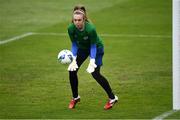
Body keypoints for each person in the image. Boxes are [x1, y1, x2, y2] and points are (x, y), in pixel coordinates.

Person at [67, 5, 118, 110]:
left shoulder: (91, 29)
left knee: (95, 73)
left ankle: (112, 98)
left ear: (84, 19)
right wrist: (73, 58)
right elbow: (74, 44)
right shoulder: (70, 28)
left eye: (79, 20)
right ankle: (75, 97)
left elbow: (93, 46)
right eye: (75, 20)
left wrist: (92, 60)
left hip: (97, 48)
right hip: (82, 48)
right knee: (72, 70)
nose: (77, 22)